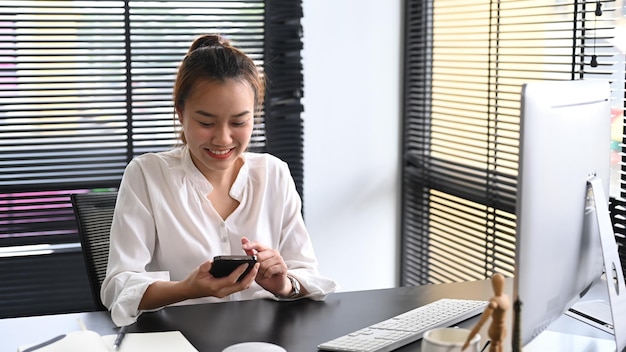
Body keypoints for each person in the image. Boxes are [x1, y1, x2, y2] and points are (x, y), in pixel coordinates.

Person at [100, 34, 338, 327]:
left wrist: (284, 283)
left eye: (239, 122)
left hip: (264, 341)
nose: (223, 138)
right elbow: (119, 287)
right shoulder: (147, 175)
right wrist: (189, 288)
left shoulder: (273, 173)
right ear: (180, 113)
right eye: (206, 123)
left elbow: (307, 274)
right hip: (179, 340)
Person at [462, 273, 510, 352]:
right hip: (497, 329)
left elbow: (480, 324)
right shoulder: (499, 301)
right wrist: (468, 340)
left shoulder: (501, 299)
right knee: (496, 345)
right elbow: (481, 323)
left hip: (501, 330)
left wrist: (468, 341)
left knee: (499, 345)